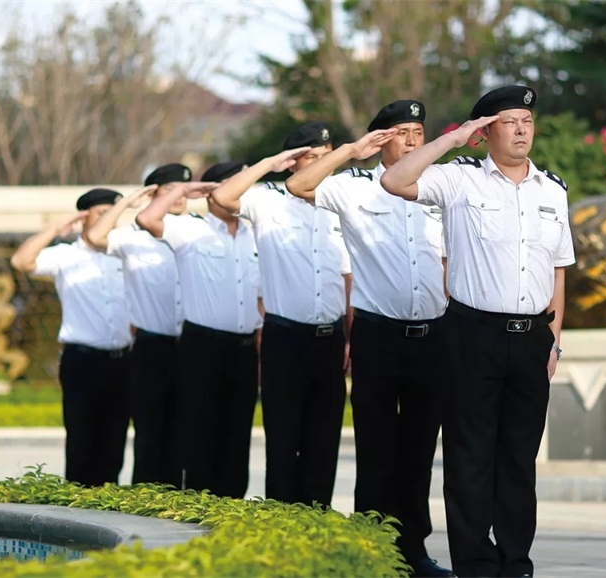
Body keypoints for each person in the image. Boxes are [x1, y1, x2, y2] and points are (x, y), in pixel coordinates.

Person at [380, 85, 576, 578]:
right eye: (509, 122)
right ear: (486, 131)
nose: (521, 130)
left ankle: (515, 563)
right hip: (472, 335)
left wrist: (555, 341)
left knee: (519, 460)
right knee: (469, 458)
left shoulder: (552, 190)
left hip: (532, 338)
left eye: (527, 122)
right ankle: (475, 565)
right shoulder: (459, 179)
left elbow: (558, 269)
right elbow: (395, 180)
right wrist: (453, 137)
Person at [286, 102, 453, 578]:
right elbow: (298, 186)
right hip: (379, 337)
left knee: (419, 452)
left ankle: (413, 552)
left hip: (432, 337)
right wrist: (350, 151)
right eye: (402, 132)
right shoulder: (353, 187)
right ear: (381, 139)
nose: (413, 141)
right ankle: (373, 549)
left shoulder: (438, 187)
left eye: (418, 131)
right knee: (377, 450)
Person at [212, 122, 352, 508]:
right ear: (293, 163)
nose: (323, 166)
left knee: (324, 444)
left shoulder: (340, 203)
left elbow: (347, 278)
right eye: (313, 158)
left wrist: (351, 337)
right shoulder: (269, 201)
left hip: (330, 340)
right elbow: (223, 196)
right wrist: (269, 163)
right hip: (286, 339)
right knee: (284, 443)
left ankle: (317, 524)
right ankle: (282, 526)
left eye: (328, 158)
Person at [136, 162, 261, 499]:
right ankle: (197, 507)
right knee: (199, 431)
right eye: (232, 185)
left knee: (238, 433)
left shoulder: (256, 232)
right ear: (210, 193)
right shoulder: (191, 229)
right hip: (203, 347)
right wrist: (183, 190)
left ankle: (231, 509)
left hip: (245, 348)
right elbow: (147, 219)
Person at [86, 164, 200, 487]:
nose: (179, 196)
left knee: (189, 432)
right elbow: (95, 237)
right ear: (152, 194)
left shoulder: (200, 231)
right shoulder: (131, 237)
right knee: (150, 432)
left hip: (194, 345)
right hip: (152, 347)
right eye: (169, 190)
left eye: (183, 189)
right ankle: (146, 500)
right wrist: (126, 203)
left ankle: (184, 503)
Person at [10, 188, 132, 487]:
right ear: (83, 217)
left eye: (112, 213)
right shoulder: (66, 255)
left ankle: (107, 501)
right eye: (102, 213)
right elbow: (22, 262)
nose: (109, 219)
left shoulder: (125, 253)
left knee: (114, 442)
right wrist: (54, 229)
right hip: (82, 360)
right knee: (81, 439)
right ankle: (77, 502)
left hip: (123, 360)